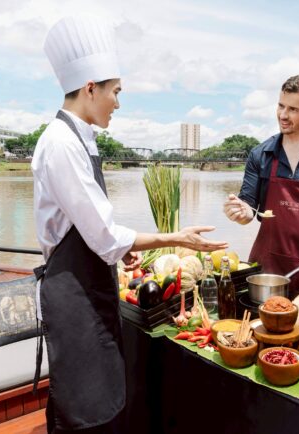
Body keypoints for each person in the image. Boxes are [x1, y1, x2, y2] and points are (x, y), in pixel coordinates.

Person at [33, 15, 228, 434]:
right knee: (84, 404)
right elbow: (104, 236)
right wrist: (177, 237)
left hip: (89, 283)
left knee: (97, 393)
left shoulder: (80, 138)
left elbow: (91, 225)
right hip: (74, 291)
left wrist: (120, 252)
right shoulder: (62, 144)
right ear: (90, 88)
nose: (118, 104)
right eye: (116, 92)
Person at [223, 74, 299, 299]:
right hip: (267, 270)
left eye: (293, 109)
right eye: (281, 106)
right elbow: (248, 209)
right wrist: (239, 212)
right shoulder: (261, 154)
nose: (283, 115)